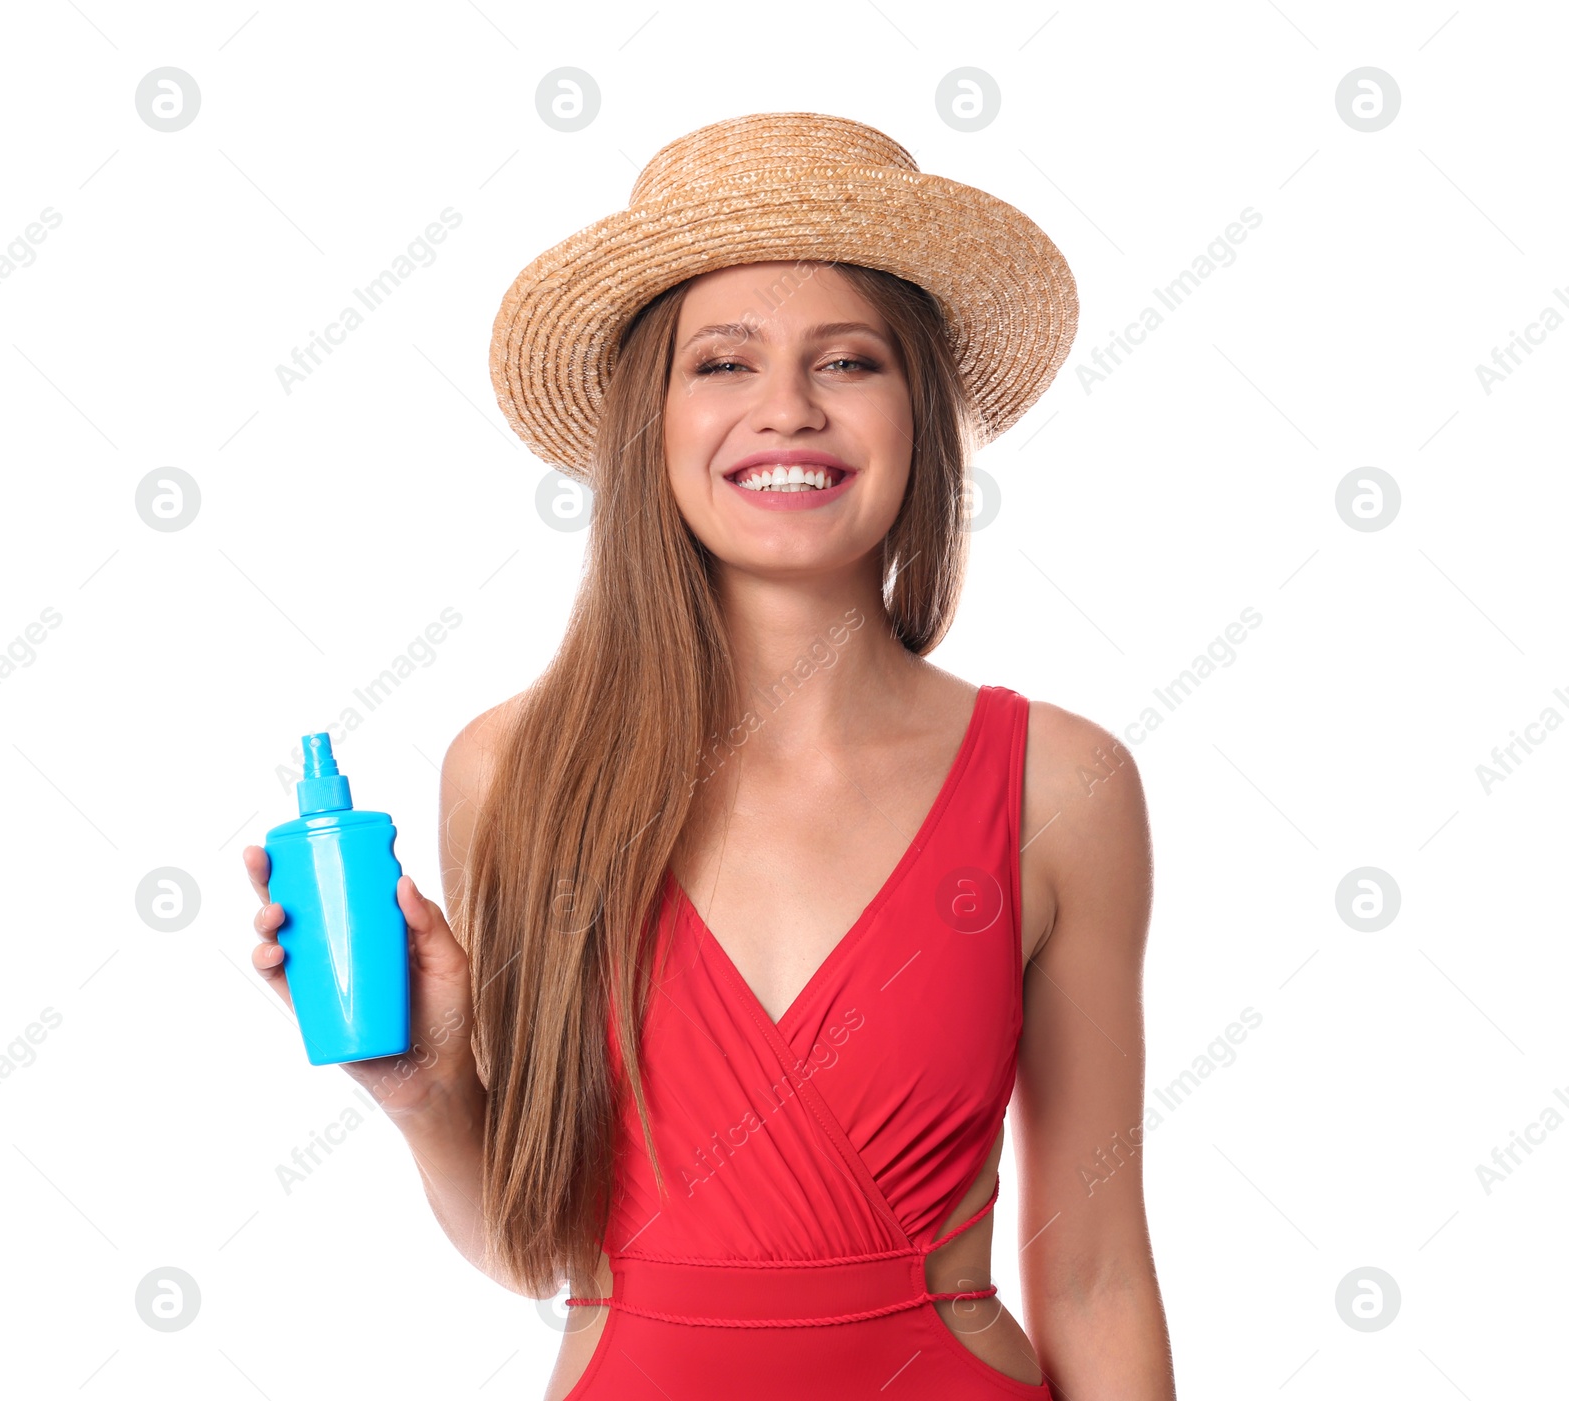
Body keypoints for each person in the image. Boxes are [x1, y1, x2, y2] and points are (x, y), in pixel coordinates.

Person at [244, 111, 1173, 1399]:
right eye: (721, 364)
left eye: (848, 362)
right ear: (650, 421)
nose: (785, 408)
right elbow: (542, 1252)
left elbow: (1095, 1276)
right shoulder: (512, 771)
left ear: (921, 416)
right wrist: (426, 1090)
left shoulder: (1062, 784)